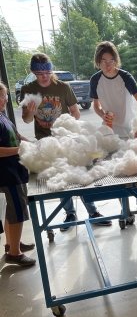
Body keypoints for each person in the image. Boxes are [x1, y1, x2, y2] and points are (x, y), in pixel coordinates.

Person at [20, 53, 111, 231]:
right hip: (46, 142)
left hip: (68, 139)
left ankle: (93, 212)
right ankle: (69, 213)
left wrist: (65, 123)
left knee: (81, 173)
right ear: (33, 72)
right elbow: (26, 120)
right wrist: (30, 112)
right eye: (39, 73)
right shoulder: (28, 90)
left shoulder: (62, 87)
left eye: (47, 72)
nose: (44, 76)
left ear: (51, 69)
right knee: (59, 177)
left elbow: (75, 113)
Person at [90, 41, 137, 207]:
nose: (108, 65)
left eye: (111, 61)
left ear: (116, 60)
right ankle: (124, 209)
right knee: (116, 171)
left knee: (133, 168)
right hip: (110, 133)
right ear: (98, 62)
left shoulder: (125, 77)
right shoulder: (95, 80)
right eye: (103, 61)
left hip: (129, 130)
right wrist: (104, 115)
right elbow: (96, 106)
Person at [0, 81, 36, 266]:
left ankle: (11, 243)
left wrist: (27, 140)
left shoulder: (2, 115)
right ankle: (15, 253)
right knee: (16, 211)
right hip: (7, 174)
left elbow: (15, 134)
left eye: (5, 95)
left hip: (14, 170)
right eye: (1, 96)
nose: (5, 99)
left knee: (10, 211)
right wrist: (18, 150)